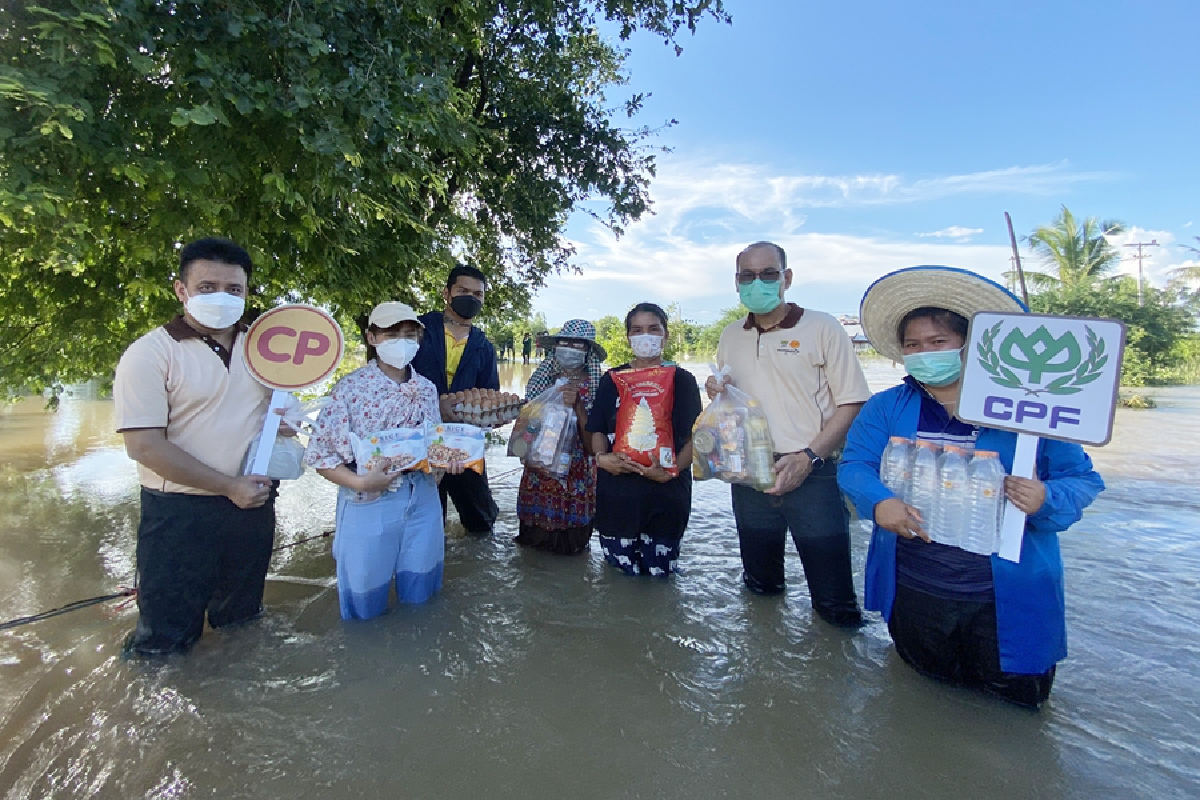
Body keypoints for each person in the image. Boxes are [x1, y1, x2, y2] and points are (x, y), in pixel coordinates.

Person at [838, 266, 1104, 707]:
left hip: (1003, 598)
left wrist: (1046, 498)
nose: (924, 353)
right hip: (917, 588)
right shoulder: (887, 407)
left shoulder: (1031, 409)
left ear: (971, 346)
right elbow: (854, 466)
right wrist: (879, 502)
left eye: (937, 343)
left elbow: (1083, 479)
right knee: (926, 703)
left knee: (1015, 711)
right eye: (913, 345)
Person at [114, 237, 277, 656]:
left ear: (246, 293)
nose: (222, 297)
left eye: (234, 289)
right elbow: (145, 447)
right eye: (207, 287)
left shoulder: (266, 349)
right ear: (180, 290)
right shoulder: (150, 354)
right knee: (163, 642)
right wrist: (228, 486)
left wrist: (288, 424)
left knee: (242, 626)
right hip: (177, 517)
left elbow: (273, 419)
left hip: (253, 507)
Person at [707, 241, 872, 626]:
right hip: (749, 474)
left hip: (814, 473)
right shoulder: (731, 335)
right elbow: (731, 397)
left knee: (835, 603)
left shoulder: (823, 327)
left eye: (768, 273)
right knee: (760, 588)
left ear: (787, 277)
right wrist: (714, 390)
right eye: (747, 276)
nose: (757, 282)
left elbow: (853, 402)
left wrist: (809, 458)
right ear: (736, 282)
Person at [306, 302, 460, 620]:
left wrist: (446, 463)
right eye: (391, 333)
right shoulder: (349, 389)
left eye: (409, 334)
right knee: (364, 599)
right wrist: (361, 482)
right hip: (368, 499)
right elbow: (321, 456)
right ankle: (365, 662)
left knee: (423, 594)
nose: (401, 341)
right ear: (372, 338)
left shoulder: (428, 389)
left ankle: (416, 660)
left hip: (423, 501)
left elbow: (433, 446)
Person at [587, 303, 702, 576]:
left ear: (666, 334)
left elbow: (697, 438)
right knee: (617, 583)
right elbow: (598, 430)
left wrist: (671, 471)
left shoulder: (683, 380)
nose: (645, 336)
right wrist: (603, 460)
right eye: (637, 330)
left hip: (667, 498)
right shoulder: (612, 379)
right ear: (628, 337)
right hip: (618, 499)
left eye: (653, 329)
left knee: (661, 583)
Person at [410, 264, 501, 535]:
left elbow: (490, 394)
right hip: (419, 437)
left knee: (480, 515)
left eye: (478, 294)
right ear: (446, 293)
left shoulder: (483, 346)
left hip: (464, 439)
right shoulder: (418, 330)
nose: (470, 298)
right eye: (463, 291)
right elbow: (395, 381)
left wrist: (493, 415)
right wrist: (435, 406)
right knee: (426, 517)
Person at [513, 320, 606, 555]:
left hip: (576, 475)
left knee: (571, 547)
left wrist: (578, 406)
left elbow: (594, 444)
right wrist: (521, 449)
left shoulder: (598, 387)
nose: (570, 347)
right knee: (531, 544)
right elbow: (527, 423)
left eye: (578, 344)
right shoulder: (543, 380)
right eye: (564, 342)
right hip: (538, 472)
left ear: (588, 351)